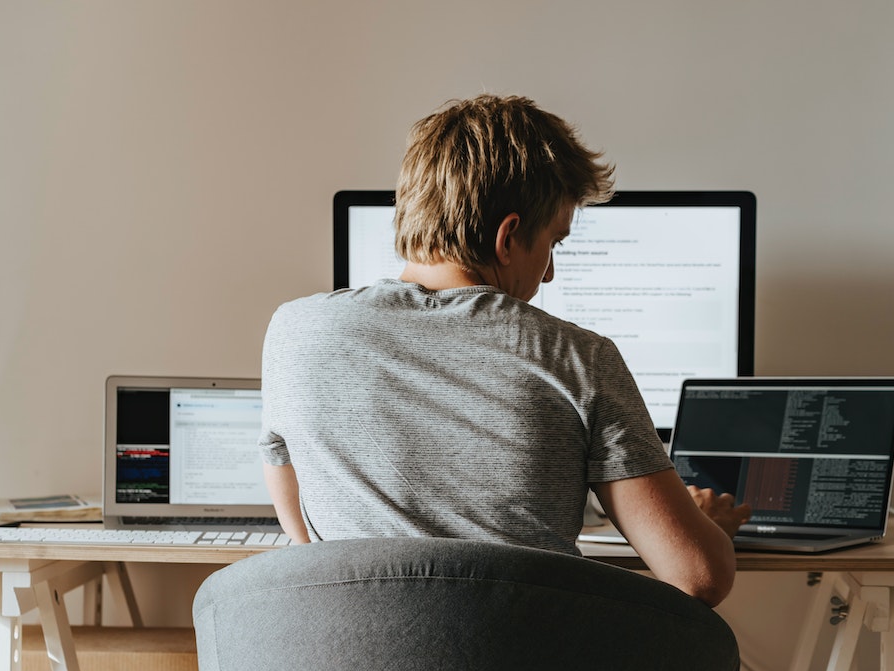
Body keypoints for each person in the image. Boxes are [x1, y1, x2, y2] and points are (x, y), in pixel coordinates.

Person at [259, 94, 750, 606]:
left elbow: (306, 545)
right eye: (554, 244)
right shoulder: (579, 357)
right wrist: (705, 527)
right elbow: (698, 577)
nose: (551, 272)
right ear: (508, 236)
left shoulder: (294, 331)